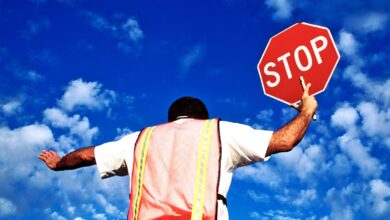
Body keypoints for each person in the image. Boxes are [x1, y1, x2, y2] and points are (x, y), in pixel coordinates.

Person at [39, 79, 317, 220]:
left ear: (171, 118)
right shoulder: (217, 132)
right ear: (202, 117)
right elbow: (284, 141)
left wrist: (59, 163)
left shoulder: (140, 140)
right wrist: (307, 111)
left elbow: (86, 155)